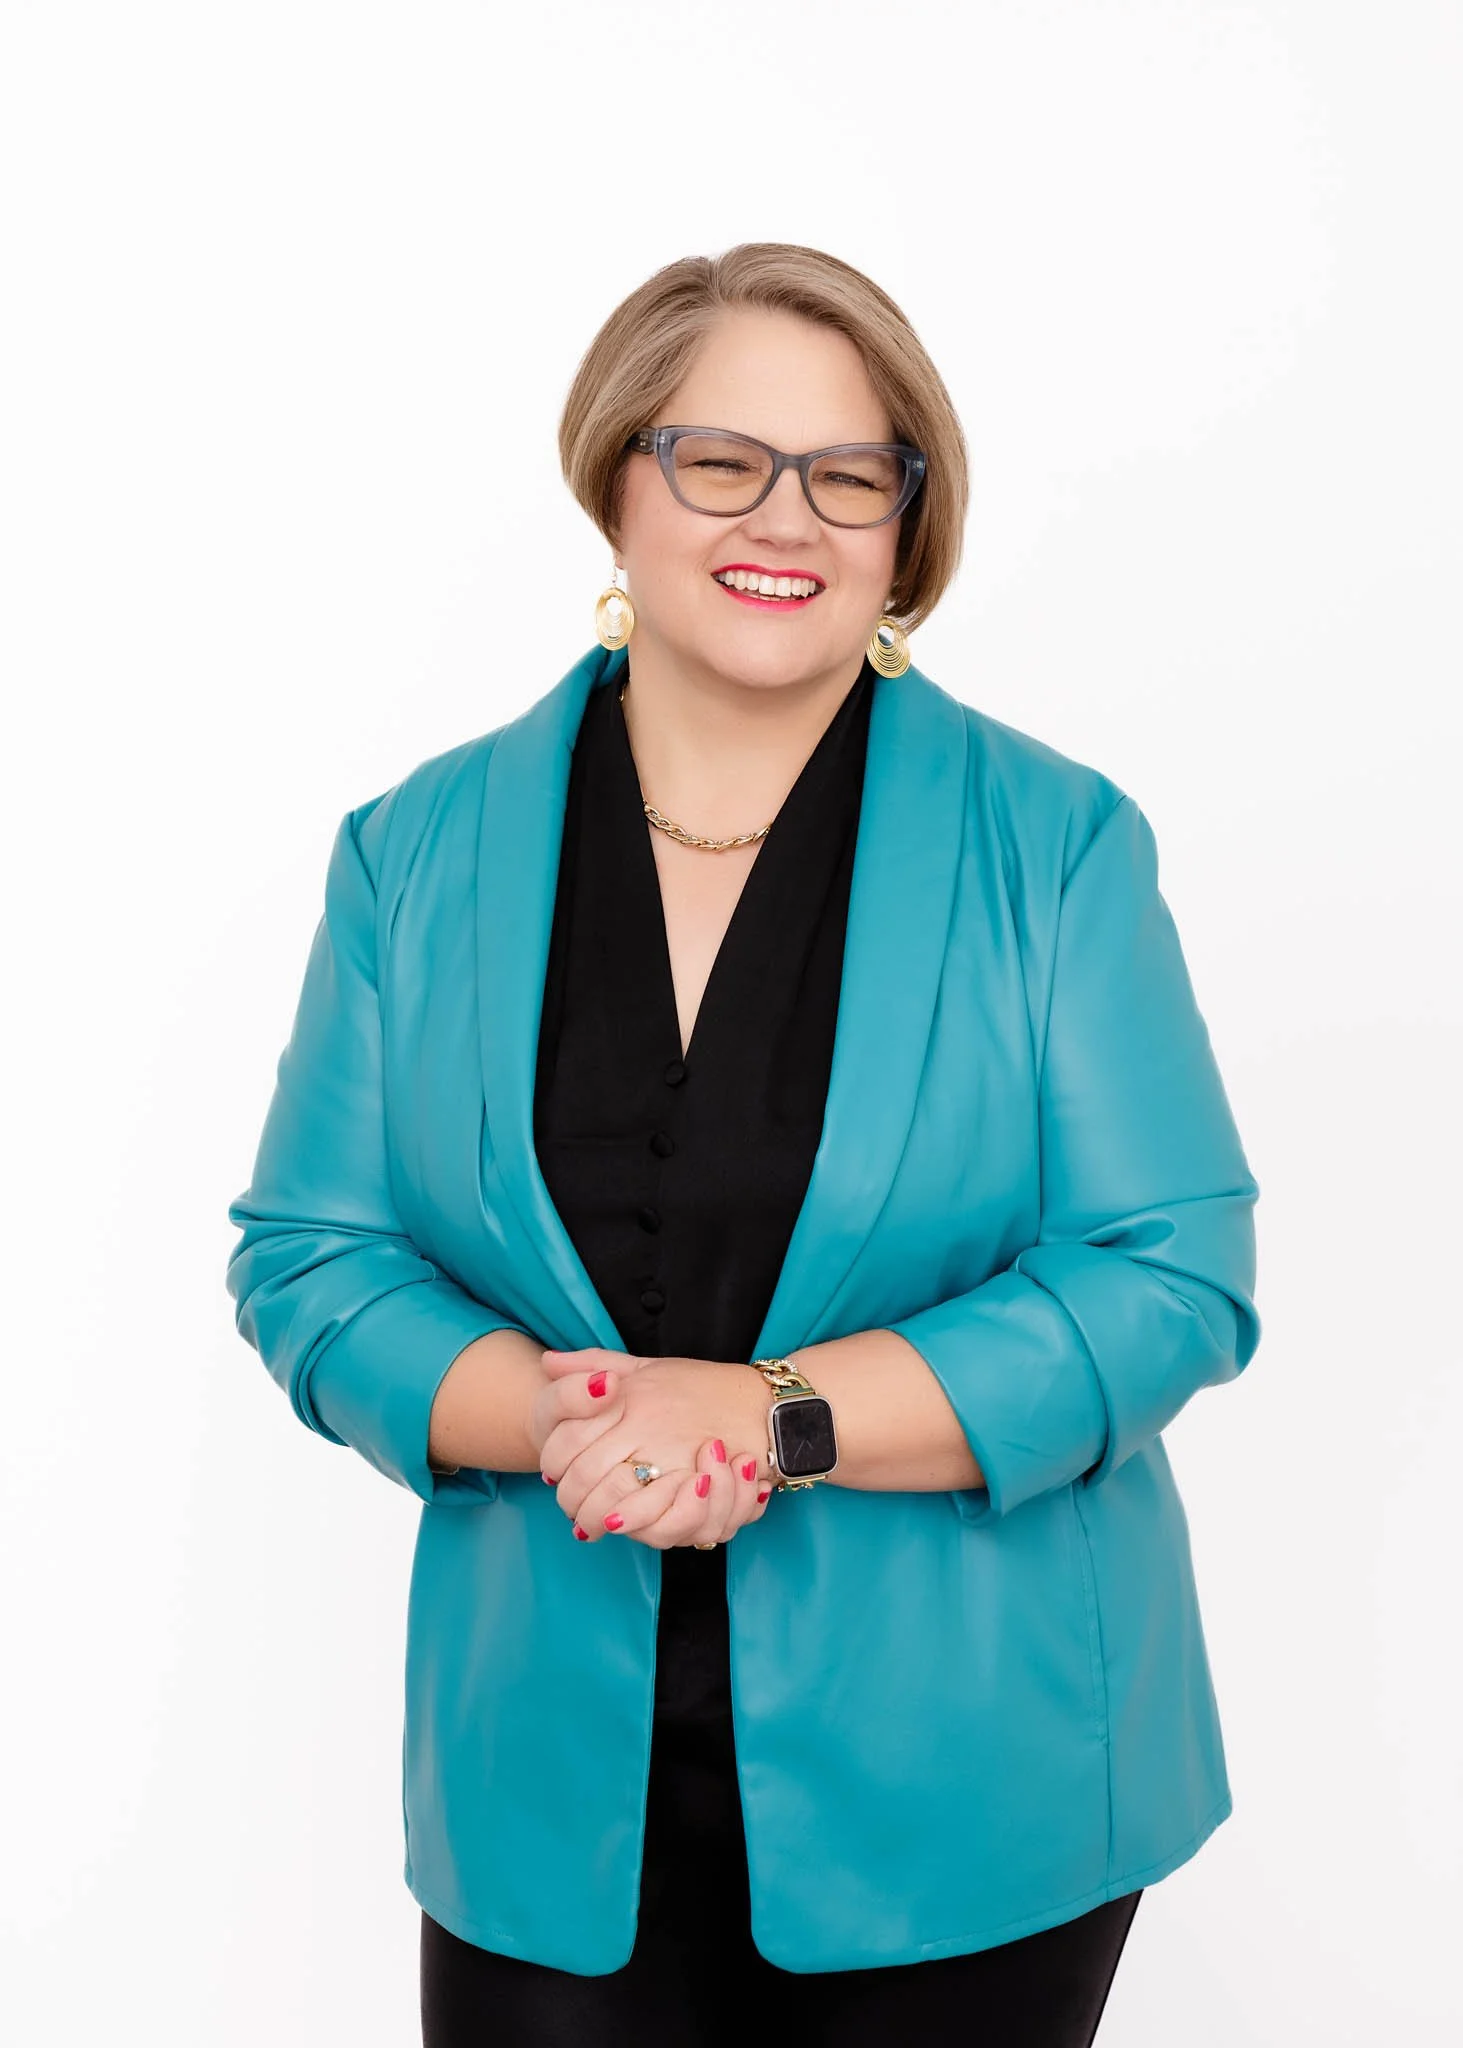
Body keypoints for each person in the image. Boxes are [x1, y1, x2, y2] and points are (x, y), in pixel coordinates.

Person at [225, 242, 1261, 2047]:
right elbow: (314, 1255)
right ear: (615, 478)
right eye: (720, 458)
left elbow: (1169, 1275)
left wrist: (775, 1415)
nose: (782, 514)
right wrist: (555, 1412)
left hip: (976, 1774)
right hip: (545, 1775)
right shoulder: (414, 851)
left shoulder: (1058, 843)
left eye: (849, 473)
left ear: (901, 531)